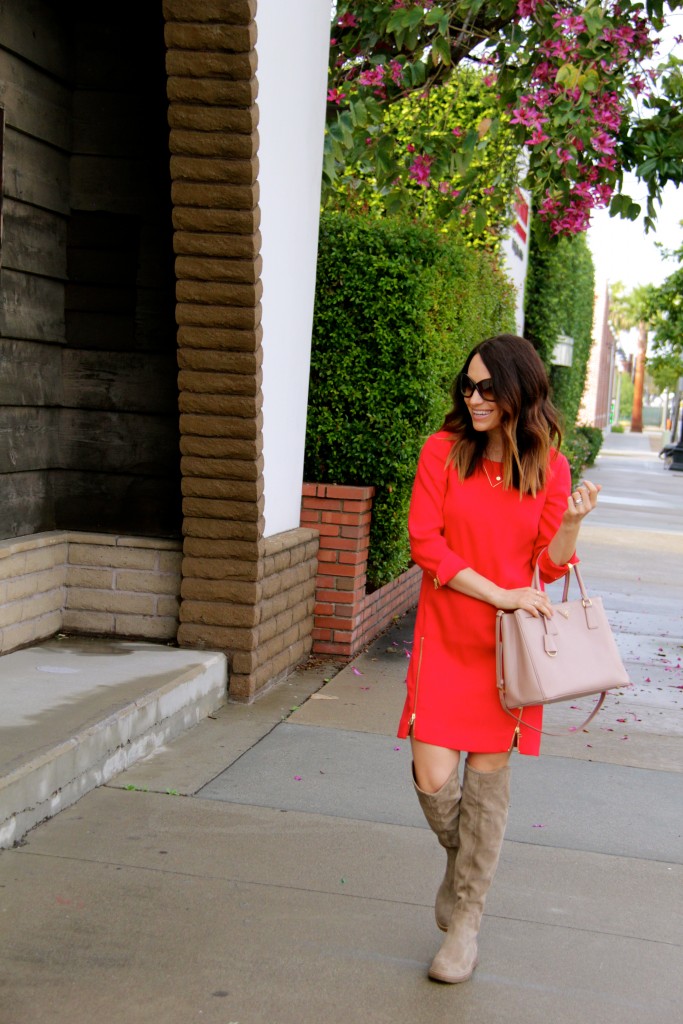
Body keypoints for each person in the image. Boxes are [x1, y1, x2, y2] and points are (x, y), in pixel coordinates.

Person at [397, 334, 600, 984]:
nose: (473, 397)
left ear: (518, 391)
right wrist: (498, 593)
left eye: (488, 388)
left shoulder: (549, 466)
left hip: (508, 652)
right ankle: (464, 881)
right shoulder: (442, 451)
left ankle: (465, 924)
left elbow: (549, 562)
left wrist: (570, 521)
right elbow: (425, 544)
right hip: (448, 633)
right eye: (468, 385)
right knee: (432, 777)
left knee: (485, 788)